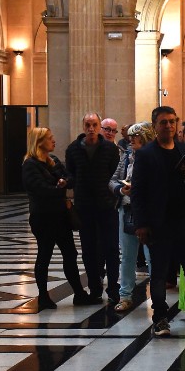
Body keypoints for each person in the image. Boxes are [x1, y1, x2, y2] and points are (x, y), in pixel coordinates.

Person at [132, 106, 185, 337]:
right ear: (155, 126)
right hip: (158, 222)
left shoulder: (183, 149)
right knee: (161, 274)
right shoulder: (146, 154)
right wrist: (141, 224)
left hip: (183, 220)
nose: (169, 126)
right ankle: (160, 318)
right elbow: (138, 192)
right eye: (164, 122)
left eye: (172, 122)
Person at [21, 127, 99, 311]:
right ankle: (43, 296)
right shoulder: (30, 164)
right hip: (43, 217)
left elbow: (69, 178)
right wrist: (59, 187)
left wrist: (63, 183)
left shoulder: (53, 160)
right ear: (39, 142)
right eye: (50, 138)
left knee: (70, 254)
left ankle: (79, 293)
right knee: (44, 255)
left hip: (61, 216)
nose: (53, 140)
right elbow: (40, 189)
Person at [65, 112, 121, 303]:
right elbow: (71, 174)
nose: (91, 129)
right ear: (83, 126)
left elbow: (114, 174)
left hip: (107, 205)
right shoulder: (73, 149)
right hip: (84, 206)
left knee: (111, 248)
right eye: (88, 125)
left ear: (99, 127)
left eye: (94, 125)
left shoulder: (110, 149)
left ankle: (113, 288)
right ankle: (95, 287)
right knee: (88, 249)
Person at [109, 122, 155, 313]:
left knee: (152, 256)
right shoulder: (127, 157)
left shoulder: (154, 157)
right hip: (127, 209)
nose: (131, 142)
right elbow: (112, 180)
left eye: (134, 138)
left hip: (149, 212)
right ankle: (125, 295)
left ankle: (158, 297)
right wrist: (121, 189)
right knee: (127, 256)